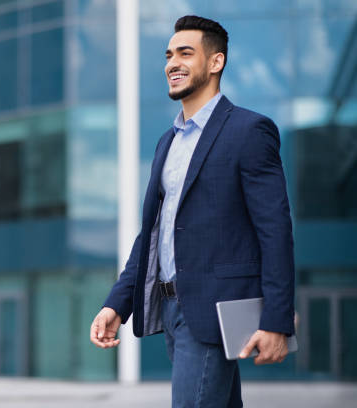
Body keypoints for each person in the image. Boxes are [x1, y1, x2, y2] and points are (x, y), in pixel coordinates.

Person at [89, 15, 295, 408]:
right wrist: (117, 303)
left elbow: (275, 230)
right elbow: (152, 234)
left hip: (215, 310)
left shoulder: (249, 131)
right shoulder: (168, 142)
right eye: (169, 55)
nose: (172, 63)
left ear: (215, 62)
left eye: (186, 53)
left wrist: (276, 320)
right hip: (170, 309)